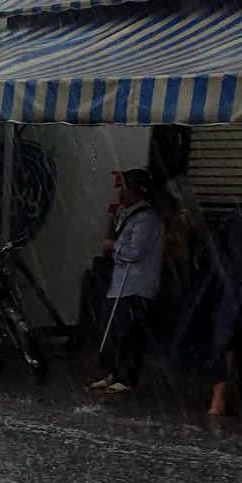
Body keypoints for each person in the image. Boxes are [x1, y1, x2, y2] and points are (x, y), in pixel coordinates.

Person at [92, 168, 164, 395]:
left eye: (123, 187)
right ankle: (112, 372)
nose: (120, 192)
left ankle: (126, 377)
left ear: (135, 190)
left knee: (129, 334)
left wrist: (114, 247)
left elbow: (135, 252)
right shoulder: (127, 214)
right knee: (112, 331)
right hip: (120, 285)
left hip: (135, 287)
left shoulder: (147, 219)